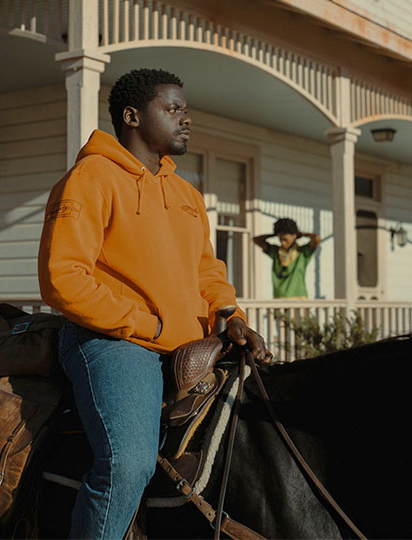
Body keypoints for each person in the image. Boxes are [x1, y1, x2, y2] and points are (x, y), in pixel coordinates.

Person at [38, 68, 271, 539]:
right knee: (129, 464)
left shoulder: (186, 194)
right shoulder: (90, 178)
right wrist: (150, 325)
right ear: (132, 116)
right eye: (172, 109)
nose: (185, 119)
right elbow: (62, 279)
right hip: (114, 343)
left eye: (184, 109)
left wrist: (230, 318)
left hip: (191, 345)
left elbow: (207, 272)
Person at [253, 218, 320, 299]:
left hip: (299, 299)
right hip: (279, 299)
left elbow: (316, 238)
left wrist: (301, 234)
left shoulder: (302, 253)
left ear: (294, 236)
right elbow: (256, 240)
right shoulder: (275, 252)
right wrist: (274, 234)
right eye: (280, 239)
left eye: (285, 239)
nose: (282, 242)